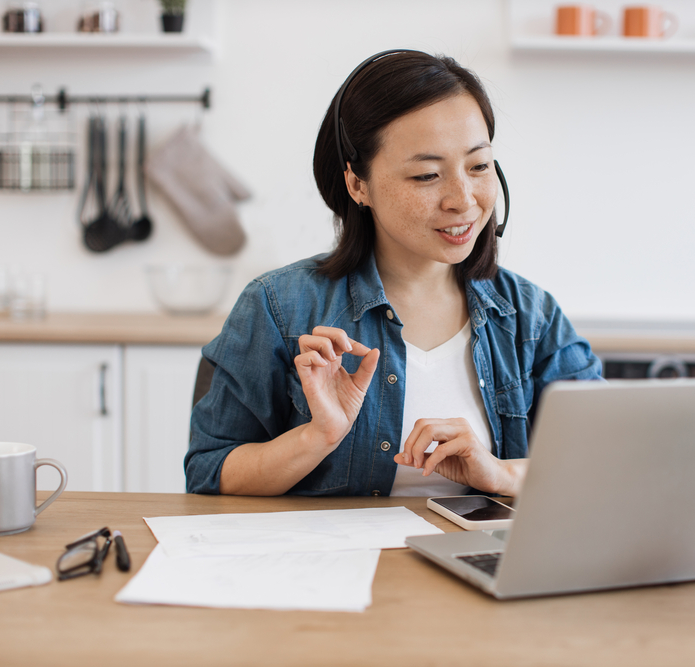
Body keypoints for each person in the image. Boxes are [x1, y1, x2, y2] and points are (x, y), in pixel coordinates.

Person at [185, 50, 602, 498]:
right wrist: (314, 437)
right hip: (336, 565)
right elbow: (209, 472)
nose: (462, 199)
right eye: (426, 175)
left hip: (478, 564)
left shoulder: (531, 316)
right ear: (357, 185)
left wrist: (499, 473)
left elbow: (607, 462)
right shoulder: (278, 306)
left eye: (479, 166)